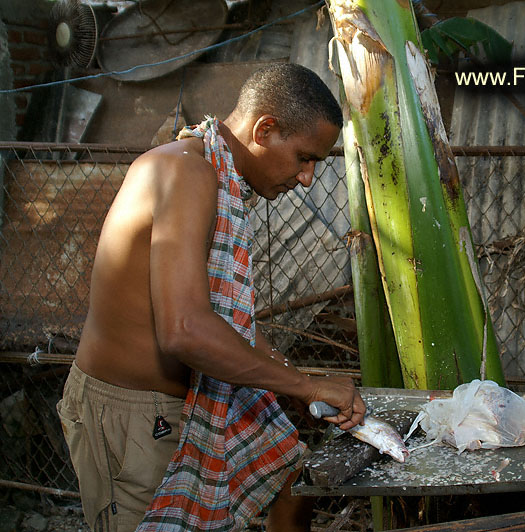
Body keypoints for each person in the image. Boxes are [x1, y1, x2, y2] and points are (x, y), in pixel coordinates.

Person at [57, 62, 366, 532]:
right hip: (133, 416)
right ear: (265, 129)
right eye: (306, 158)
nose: (307, 179)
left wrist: (297, 379)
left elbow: (228, 321)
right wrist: (303, 387)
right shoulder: (187, 173)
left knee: (292, 471)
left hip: (189, 404)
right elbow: (186, 331)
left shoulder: (215, 174)